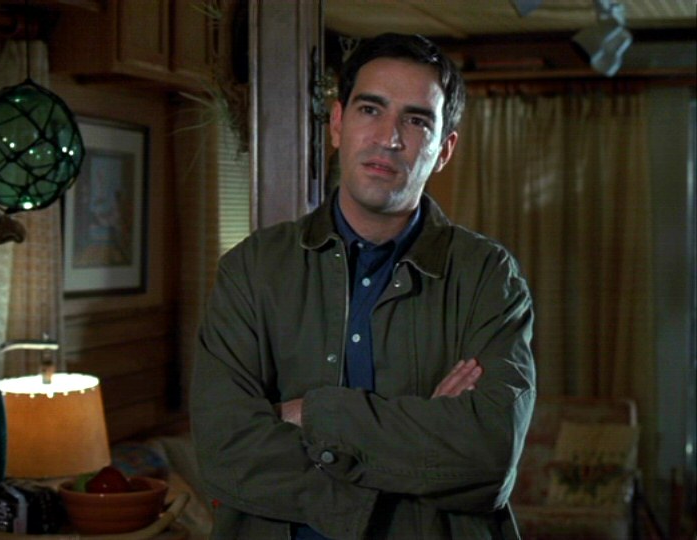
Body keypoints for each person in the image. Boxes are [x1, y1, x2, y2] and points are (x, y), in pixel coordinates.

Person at [190, 33, 536, 539]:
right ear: (337, 124)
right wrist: (417, 457)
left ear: (444, 150)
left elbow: (488, 457)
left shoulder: (487, 276)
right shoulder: (252, 268)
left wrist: (314, 413)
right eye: (371, 110)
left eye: (416, 121)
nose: (388, 138)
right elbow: (226, 450)